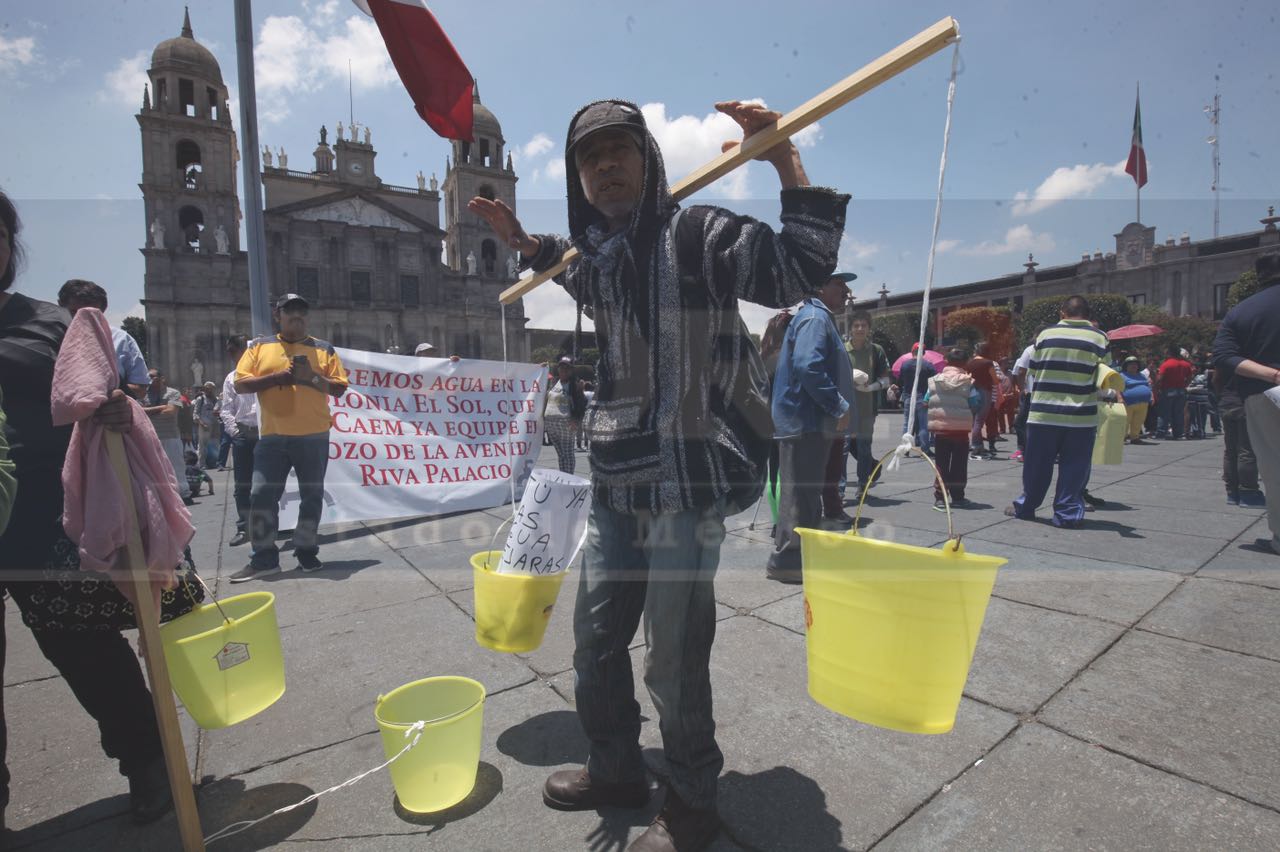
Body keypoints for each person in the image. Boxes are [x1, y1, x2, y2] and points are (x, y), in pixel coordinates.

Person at [469, 98, 847, 852]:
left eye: (619, 149)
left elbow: (801, 268)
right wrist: (525, 243)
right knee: (595, 642)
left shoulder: (699, 233)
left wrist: (784, 158)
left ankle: (692, 799)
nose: (605, 164)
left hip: (685, 483)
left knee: (673, 656)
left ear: (648, 160)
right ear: (579, 179)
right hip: (615, 478)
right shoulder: (597, 260)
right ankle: (613, 770)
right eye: (590, 156)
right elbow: (577, 280)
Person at [0, 189, 173, 827]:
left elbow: (109, 392)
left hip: (45, 518)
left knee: (85, 650)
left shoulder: (50, 324)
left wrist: (113, 410)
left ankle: (147, 759)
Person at [231, 293, 348, 581]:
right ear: (277, 315)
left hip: (314, 436)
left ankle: (306, 551)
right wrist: (278, 379)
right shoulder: (259, 346)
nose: (297, 315)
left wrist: (312, 378)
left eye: (301, 311)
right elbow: (240, 383)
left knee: (312, 497)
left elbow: (339, 388)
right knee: (260, 495)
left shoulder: (324, 349)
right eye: (290, 310)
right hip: (272, 436)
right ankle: (263, 559)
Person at [1006, 295, 1109, 528]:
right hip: (1081, 416)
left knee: (1037, 464)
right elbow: (1104, 376)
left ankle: (1026, 506)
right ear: (1086, 314)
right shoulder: (1100, 338)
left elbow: (1034, 370)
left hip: (1044, 412)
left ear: (1062, 313)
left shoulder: (1045, 335)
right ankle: (1067, 515)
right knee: (1075, 466)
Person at [773, 276, 854, 541]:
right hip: (806, 423)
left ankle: (792, 559)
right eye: (839, 284)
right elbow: (809, 366)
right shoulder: (815, 318)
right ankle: (791, 560)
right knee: (802, 500)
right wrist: (838, 405)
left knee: (803, 498)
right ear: (819, 286)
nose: (847, 290)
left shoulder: (815, 317)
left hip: (806, 423)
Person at [1213, 254, 1280, 553]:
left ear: (1258, 277)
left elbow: (1224, 357)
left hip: (1263, 392)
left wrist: (1273, 374)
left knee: (1274, 466)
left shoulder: (1241, 311)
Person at [55, 279, 150, 398]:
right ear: (60, 306)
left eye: (92, 314)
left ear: (103, 311)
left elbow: (141, 389)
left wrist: (98, 391)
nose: (82, 319)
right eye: (74, 312)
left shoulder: (122, 340)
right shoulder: (48, 337)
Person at [925, 348, 980, 510]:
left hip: (940, 431)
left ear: (947, 362)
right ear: (965, 363)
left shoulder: (934, 380)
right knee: (959, 464)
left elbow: (927, 400)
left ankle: (940, 498)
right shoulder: (968, 382)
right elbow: (975, 403)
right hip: (960, 431)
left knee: (941, 464)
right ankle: (958, 496)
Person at [844, 307, 890, 493]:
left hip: (867, 409)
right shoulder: (841, 350)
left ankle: (863, 484)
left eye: (864, 325)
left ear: (869, 328)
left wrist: (871, 387)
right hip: (844, 408)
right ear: (850, 329)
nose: (860, 329)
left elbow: (886, 379)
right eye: (856, 325)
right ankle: (839, 489)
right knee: (842, 450)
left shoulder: (876, 351)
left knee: (863, 448)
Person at [220, 334, 257, 547]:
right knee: (242, 485)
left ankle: (271, 526)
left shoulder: (263, 372)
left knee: (268, 484)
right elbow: (226, 409)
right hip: (244, 433)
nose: (230, 355)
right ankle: (244, 527)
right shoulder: (231, 378)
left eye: (233, 350)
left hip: (265, 433)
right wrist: (235, 433)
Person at [142, 368, 192, 504]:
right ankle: (163, 497)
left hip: (170, 436)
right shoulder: (143, 395)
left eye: (153, 376)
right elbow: (139, 411)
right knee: (155, 469)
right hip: (151, 437)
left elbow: (171, 411)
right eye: (148, 377)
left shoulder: (173, 392)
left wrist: (149, 411)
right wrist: (160, 408)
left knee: (176, 466)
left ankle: (184, 494)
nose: (150, 379)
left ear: (162, 378)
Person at [544, 356, 587, 474]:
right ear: (558, 369)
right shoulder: (553, 382)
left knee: (567, 454)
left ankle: (569, 478)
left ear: (571, 370)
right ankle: (563, 475)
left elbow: (581, 403)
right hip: (551, 425)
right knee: (561, 454)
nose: (564, 370)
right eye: (561, 367)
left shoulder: (575, 384)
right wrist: (541, 368)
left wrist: (576, 420)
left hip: (566, 423)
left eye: (567, 368)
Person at [897, 342, 936, 455]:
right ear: (923, 352)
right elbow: (935, 381)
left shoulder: (905, 365)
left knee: (907, 424)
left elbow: (900, 382)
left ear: (912, 351)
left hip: (908, 397)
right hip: (923, 398)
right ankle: (925, 449)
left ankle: (905, 448)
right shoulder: (928, 365)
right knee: (923, 425)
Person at [967, 342, 999, 458]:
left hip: (972, 392)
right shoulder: (988, 363)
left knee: (975, 418)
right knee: (979, 420)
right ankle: (975, 445)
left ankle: (979, 445)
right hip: (985, 391)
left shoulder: (970, 363)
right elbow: (995, 380)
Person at [1155, 344, 1193, 439]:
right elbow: (1189, 377)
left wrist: (1157, 387)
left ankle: (1161, 433)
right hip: (1181, 390)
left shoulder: (1166, 364)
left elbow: (1160, 378)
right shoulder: (1186, 364)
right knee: (1178, 413)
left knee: (1164, 413)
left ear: (1169, 353)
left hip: (1167, 390)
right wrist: (1185, 385)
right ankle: (1178, 433)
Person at [1120, 356, 1153, 443]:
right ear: (1126, 366)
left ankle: (1135, 437)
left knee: (1139, 421)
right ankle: (1122, 437)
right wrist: (1120, 398)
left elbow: (1148, 386)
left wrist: (1151, 396)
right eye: (1131, 364)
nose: (1133, 366)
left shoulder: (1142, 375)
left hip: (1143, 403)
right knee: (1125, 421)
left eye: (1135, 364)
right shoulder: (1122, 375)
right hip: (1128, 403)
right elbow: (1117, 388)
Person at [193, 380, 220, 468]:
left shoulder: (216, 399)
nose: (209, 390)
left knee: (214, 444)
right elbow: (196, 414)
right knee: (202, 446)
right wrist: (202, 423)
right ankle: (202, 463)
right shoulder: (200, 399)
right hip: (204, 425)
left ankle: (213, 463)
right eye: (208, 388)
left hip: (215, 425)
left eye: (211, 389)